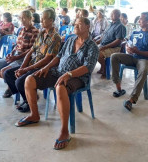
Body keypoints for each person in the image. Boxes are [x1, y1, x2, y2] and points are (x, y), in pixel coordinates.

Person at [15, 17, 99, 150]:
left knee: (60, 87)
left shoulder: (92, 46)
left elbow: (87, 67)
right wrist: (46, 67)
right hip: (59, 71)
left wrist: (69, 74)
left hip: (78, 77)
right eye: (74, 23)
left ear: (88, 27)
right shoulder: (70, 39)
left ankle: (64, 131)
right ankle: (34, 115)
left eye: (79, 24)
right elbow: (59, 56)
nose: (75, 26)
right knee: (30, 79)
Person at [3, 8, 61, 112]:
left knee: (20, 81)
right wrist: (22, 67)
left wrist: (25, 70)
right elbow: (31, 51)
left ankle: (29, 102)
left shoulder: (55, 37)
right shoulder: (41, 33)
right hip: (33, 63)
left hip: (43, 68)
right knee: (8, 74)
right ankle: (28, 97)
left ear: (51, 20)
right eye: (41, 19)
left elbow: (47, 59)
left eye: (44, 19)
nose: (41, 21)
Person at [110, 12, 148, 111]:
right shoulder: (135, 32)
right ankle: (119, 88)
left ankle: (132, 99)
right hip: (132, 57)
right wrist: (128, 48)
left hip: (144, 60)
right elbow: (130, 44)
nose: (139, 21)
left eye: (141, 19)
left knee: (144, 68)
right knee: (114, 56)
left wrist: (139, 51)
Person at [0, 10, 39, 97]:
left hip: (24, 58)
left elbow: (31, 51)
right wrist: (11, 54)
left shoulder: (35, 32)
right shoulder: (21, 30)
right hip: (15, 55)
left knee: (4, 71)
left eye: (24, 18)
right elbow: (17, 45)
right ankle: (14, 85)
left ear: (30, 18)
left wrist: (16, 57)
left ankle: (11, 88)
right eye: (20, 18)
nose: (22, 20)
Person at [96, 9, 126, 79]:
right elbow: (103, 36)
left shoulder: (120, 26)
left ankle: (105, 70)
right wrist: (96, 42)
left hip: (114, 48)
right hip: (104, 45)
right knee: (92, 51)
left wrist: (105, 47)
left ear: (118, 16)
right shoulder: (110, 24)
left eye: (114, 14)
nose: (111, 15)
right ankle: (102, 67)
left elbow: (118, 41)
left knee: (98, 53)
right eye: (111, 13)